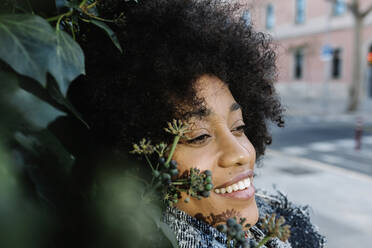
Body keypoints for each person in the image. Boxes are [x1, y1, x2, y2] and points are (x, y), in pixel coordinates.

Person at [68, 0, 326, 247]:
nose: (241, 153)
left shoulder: (291, 227)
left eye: (238, 127)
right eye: (199, 136)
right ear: (136, 160)